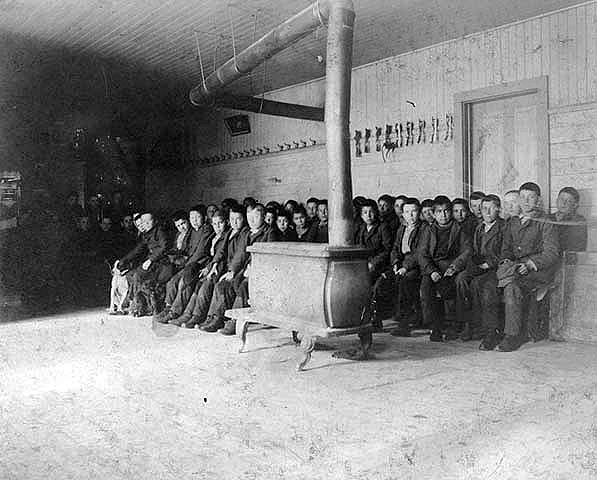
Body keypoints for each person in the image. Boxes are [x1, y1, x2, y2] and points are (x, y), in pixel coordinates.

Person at [498, 182, 559, 351]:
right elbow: (506, 249)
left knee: (511, 287)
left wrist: (531, 264)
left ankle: (513, 336)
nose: (525, 201)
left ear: (538, 200)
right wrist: (506, 261)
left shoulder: (546, 221)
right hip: (517, 269)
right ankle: (495, 331)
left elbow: (552, 252)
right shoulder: (513, 221)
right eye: (522, 197)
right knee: (494, 283)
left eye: (530, 197)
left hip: (538, 271)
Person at [179, 205, 249, 329]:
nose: (234, 222)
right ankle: (194, 315)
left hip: (236, 270)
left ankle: (214, 317)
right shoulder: (229, 232)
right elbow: (220, 252)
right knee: (202, 282)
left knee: (215, 285)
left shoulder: (244, 232)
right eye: (232, 219)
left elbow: (240, 254)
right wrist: (214, 265)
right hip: (223, 267)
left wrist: (231, 270)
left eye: (238, 219)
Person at [218, 204, 280, 335]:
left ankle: (235, 322)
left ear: (263, 217)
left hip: (261, 272)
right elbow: (240, 254)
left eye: (256, 216)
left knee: (244, 287)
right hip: (245, 270)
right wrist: (232, 271)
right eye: (249, 217)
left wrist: (253, 269)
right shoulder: (246, 233)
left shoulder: (270, 233)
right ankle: (219, 317)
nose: (252, 220)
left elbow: (268, 258)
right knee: (226, 284)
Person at [418, 195, 472, 341]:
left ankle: (452, 325)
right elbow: (422, 254)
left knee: (449, 289)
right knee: (426, 288)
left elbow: (466, 251)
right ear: (434, 214)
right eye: (439, 212)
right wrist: (431, 271)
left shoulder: (459, 229)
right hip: (434, 267)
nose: (443, 215)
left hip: (451, 267)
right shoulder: (428, 230)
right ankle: (434, 326)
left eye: (447, 211)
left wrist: (454, 267)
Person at [455, 194, 505, 344]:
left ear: (499, 210)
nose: (487, 212)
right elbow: (476, 252)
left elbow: (506, 252)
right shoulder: (479, 227)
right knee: (461, 279)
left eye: (491, 209)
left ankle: (489, 330)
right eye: (484, 209)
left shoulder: (503, 227)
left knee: (482, 285)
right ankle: (468, 323)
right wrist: (474, 264)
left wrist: (489, 264)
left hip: (495, 268)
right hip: (480, 266)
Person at [169, 209, 229, 328]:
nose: (217, 226)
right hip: (209, 266)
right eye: (215, 224)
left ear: (226, 222)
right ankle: (188, 314)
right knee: (196, 284)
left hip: (221, 267)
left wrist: (210, 266)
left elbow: (219, 254)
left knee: (204, 285)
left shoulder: (225, 235)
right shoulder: (214, 235)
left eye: (220, 223)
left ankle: (201, 316)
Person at [159, 205, 214, 323]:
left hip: (200, 264)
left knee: (184, 282)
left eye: (197, 217)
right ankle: (169, 308)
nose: (194, 221)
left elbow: (201, 251)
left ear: (204, 217)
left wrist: (186, 263)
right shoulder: (193, 231)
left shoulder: (206, 229)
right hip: (190, 264)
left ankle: (176, 312)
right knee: (172, 281)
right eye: (192, 218)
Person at [116, 212, 169, 316]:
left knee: (138, 275)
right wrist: (124, 260)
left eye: (149, 221)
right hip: (152, 262)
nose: (147, 224)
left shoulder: (160, 231)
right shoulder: (147, 233)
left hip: (162, 263)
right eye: (145, 222)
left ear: (154, 221)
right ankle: (137, 303)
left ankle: (136, 306)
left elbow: (164, 247)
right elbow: (138, 249)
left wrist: (151, 260)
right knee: (130, 274)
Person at [389, 198, 425, 336]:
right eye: (407, 212)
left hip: (418, 266)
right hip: (402, 263)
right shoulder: (402, 228)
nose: (410, 215)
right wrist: (395, 263)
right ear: (402, 214)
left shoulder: (424, 229)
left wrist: (405, 267)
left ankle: (405, 323)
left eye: (414, 211)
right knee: (385, 279)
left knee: (406, 281)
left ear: (419, 212)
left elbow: (420, 253)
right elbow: (395, 248)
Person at [549, 186, 587, 252]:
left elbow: (578, 248)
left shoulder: (578, 221)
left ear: (575, 205)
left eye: (569, 201)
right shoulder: (548, 218)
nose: (563, 203)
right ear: (556, 200)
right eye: (561, 199)